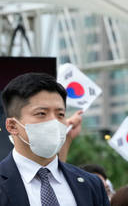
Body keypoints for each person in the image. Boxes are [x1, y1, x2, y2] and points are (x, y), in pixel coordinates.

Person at [0, 73, 110, 206]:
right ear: (12, 126)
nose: (54, 122)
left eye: (60, 114)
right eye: (41, 113)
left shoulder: (91, 184)